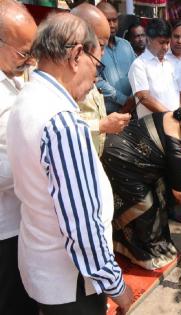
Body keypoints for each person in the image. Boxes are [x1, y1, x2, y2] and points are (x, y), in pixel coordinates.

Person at [7, 13, 134, 314]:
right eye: (97, 64)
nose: (96, 78)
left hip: (43, 266)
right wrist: (117, 287)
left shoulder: (26, 97)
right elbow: (82, 227)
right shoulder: (62, 123)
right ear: (77, 54)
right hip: (72, 280)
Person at [101, 106, 181, 270]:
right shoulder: (175, 149)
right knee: (145, 205)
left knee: (159, 195)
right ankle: (143, 253)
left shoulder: (176, 116)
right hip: (120, 160)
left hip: (124, 150)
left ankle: (139, 244)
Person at [0, 2, 38, 314]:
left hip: (22, 219)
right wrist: (36, 166)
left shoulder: (13, 75)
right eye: (23, 52)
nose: (29, 61)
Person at [71, 3, 131, 157]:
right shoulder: (63, 77)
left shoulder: (125, 46)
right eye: (99, 46)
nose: (101, 54)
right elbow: (60, 127)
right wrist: (101, 125)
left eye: (114, 20)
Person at [129, 18, 181, 119]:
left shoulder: (172, 62)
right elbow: (144, 98)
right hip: (153, 127)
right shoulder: (139, 65)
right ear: (149, 40)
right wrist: (171, 116)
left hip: (176, 125)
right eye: (161, 42)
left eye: (168, 42)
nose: (165, 47)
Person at [97, 1, 137, 114]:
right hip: (108, 114)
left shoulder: (126, 45)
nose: (112, 25)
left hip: (133, 110)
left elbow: (136, 72)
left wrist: (132, 99)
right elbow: (96, 81)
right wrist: (124, 100)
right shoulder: (93, 48)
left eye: (115, 20)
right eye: (107, 21)